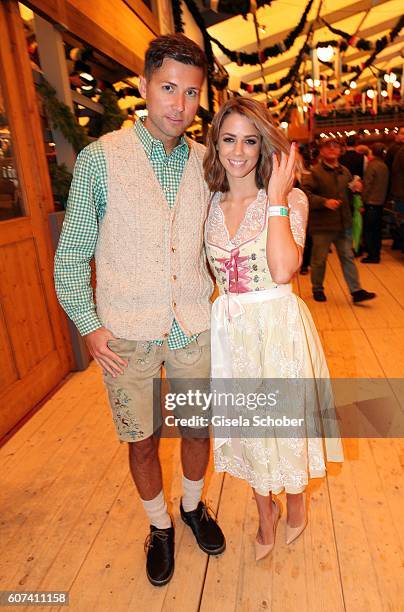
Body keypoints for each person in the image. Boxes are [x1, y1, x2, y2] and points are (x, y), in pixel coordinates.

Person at [54, 33, 225, 588]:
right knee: (142, 438)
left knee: (198, 430)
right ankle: (160, 526)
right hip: (127, 331)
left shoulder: (208, 162)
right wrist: (89, 323)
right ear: (144, 87)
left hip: (194, 324)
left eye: (192, 93)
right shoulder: (100, 159)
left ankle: (195, 507)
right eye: (169, 88)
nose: (180, 104)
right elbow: (72, 252)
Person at [203, 97, 343, 561]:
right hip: (232, 333)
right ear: (216, 143)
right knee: (247, 429)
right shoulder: (209, 200)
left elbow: (284, 269)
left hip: (278, 328)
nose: (238, 151)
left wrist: (279, 200)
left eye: (249, 140)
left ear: (264, 146)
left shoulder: (291, 198)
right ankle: (266, 514)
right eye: (229, 139)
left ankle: (297, 498)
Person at [302, 138, 376, 303]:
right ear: (321, 151)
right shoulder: (314, 172)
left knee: (347, 257)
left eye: (336, 147)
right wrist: (324, 202)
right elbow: (305, 195)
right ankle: (317, 288)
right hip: (323, 225)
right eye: (328, 147)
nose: (332, 150)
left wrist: (356, 190)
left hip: (344, 223)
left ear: (340, 151)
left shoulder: (345, 171)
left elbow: (350, 193)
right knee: (319, 259)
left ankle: (356, 291)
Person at [361, 142, 389, 263]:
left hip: (371, 202)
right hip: (380, 201)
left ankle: (372, 255)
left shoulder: (372, 166)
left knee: (369, 230)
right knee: (377, 231)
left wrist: (363, 200)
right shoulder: (384, 166)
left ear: (372, 152)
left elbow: (367, 185)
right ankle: (376, 253)